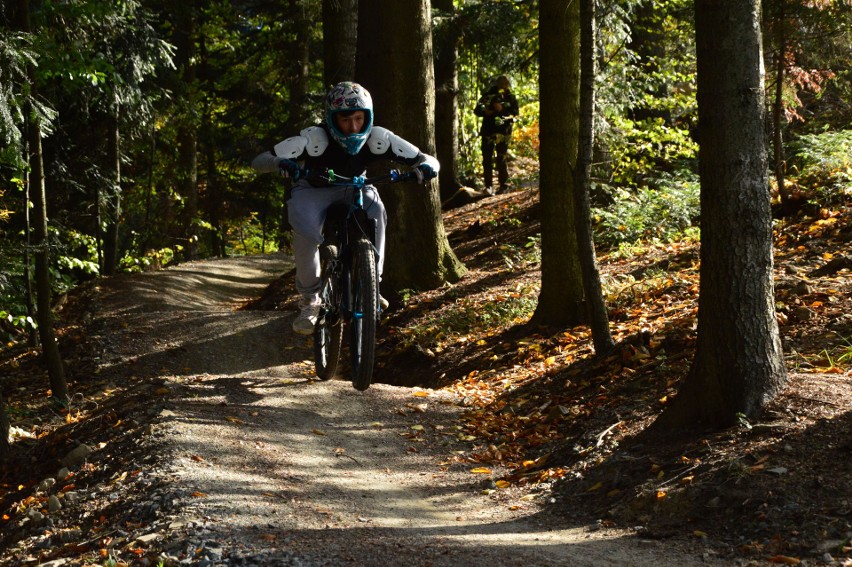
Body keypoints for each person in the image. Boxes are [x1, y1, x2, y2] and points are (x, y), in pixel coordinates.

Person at [251, 82, 439, 335]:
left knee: (377, 214)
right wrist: (280, 162)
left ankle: (373, 285)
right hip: (312, 189)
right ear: (331, 119)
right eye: (345, 119)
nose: (353, 127)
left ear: (369, 117)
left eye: (360, 119)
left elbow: (426, 158)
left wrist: (426, 168)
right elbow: (259, 161)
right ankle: (310, 301)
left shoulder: (379, 138)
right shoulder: (312, 139)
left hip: (357, 186)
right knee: (304, 230)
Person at [473, 75, 519, 195]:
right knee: (487, 159)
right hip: (488, 131)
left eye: (505, 84)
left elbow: (515, 115)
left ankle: (504, 185)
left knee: (501, 158)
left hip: (503, 133)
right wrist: (485, 111)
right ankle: (489, 187)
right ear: (498, 84)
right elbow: (477, 109)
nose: (503, 87)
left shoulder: (511, 98)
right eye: (501, 84)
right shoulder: (489, 95)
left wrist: (502, 110)